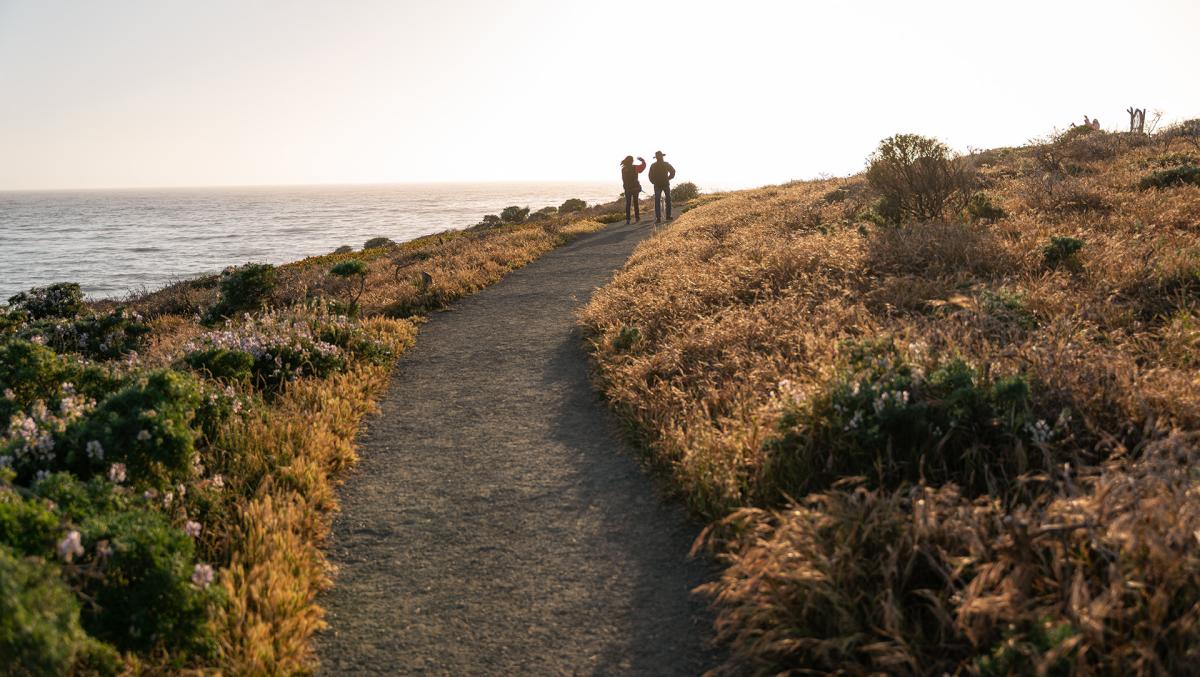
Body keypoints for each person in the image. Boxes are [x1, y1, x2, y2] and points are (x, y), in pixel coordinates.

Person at [648, 150, 676, 223]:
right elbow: (673, 171)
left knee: (657, 201)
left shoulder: (653, 165)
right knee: (668, 200)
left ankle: (658, 218)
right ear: (661, 157)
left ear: (656, 157)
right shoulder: (666, 164)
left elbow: (650, 176)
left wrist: (653, 182)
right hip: (665, 184)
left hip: (658, 185)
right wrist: (668, 178)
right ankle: (668, 216)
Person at [620, 155, 646, 224]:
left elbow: (623, 179)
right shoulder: (635, 167)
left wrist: (626, 186)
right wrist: (642, 160)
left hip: (627, 188)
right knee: (635, 203)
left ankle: (628, 220)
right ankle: (637, 218)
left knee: (628, 204)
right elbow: (643, 167)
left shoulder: (623, 169)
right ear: (631, 161)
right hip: (635, 188)